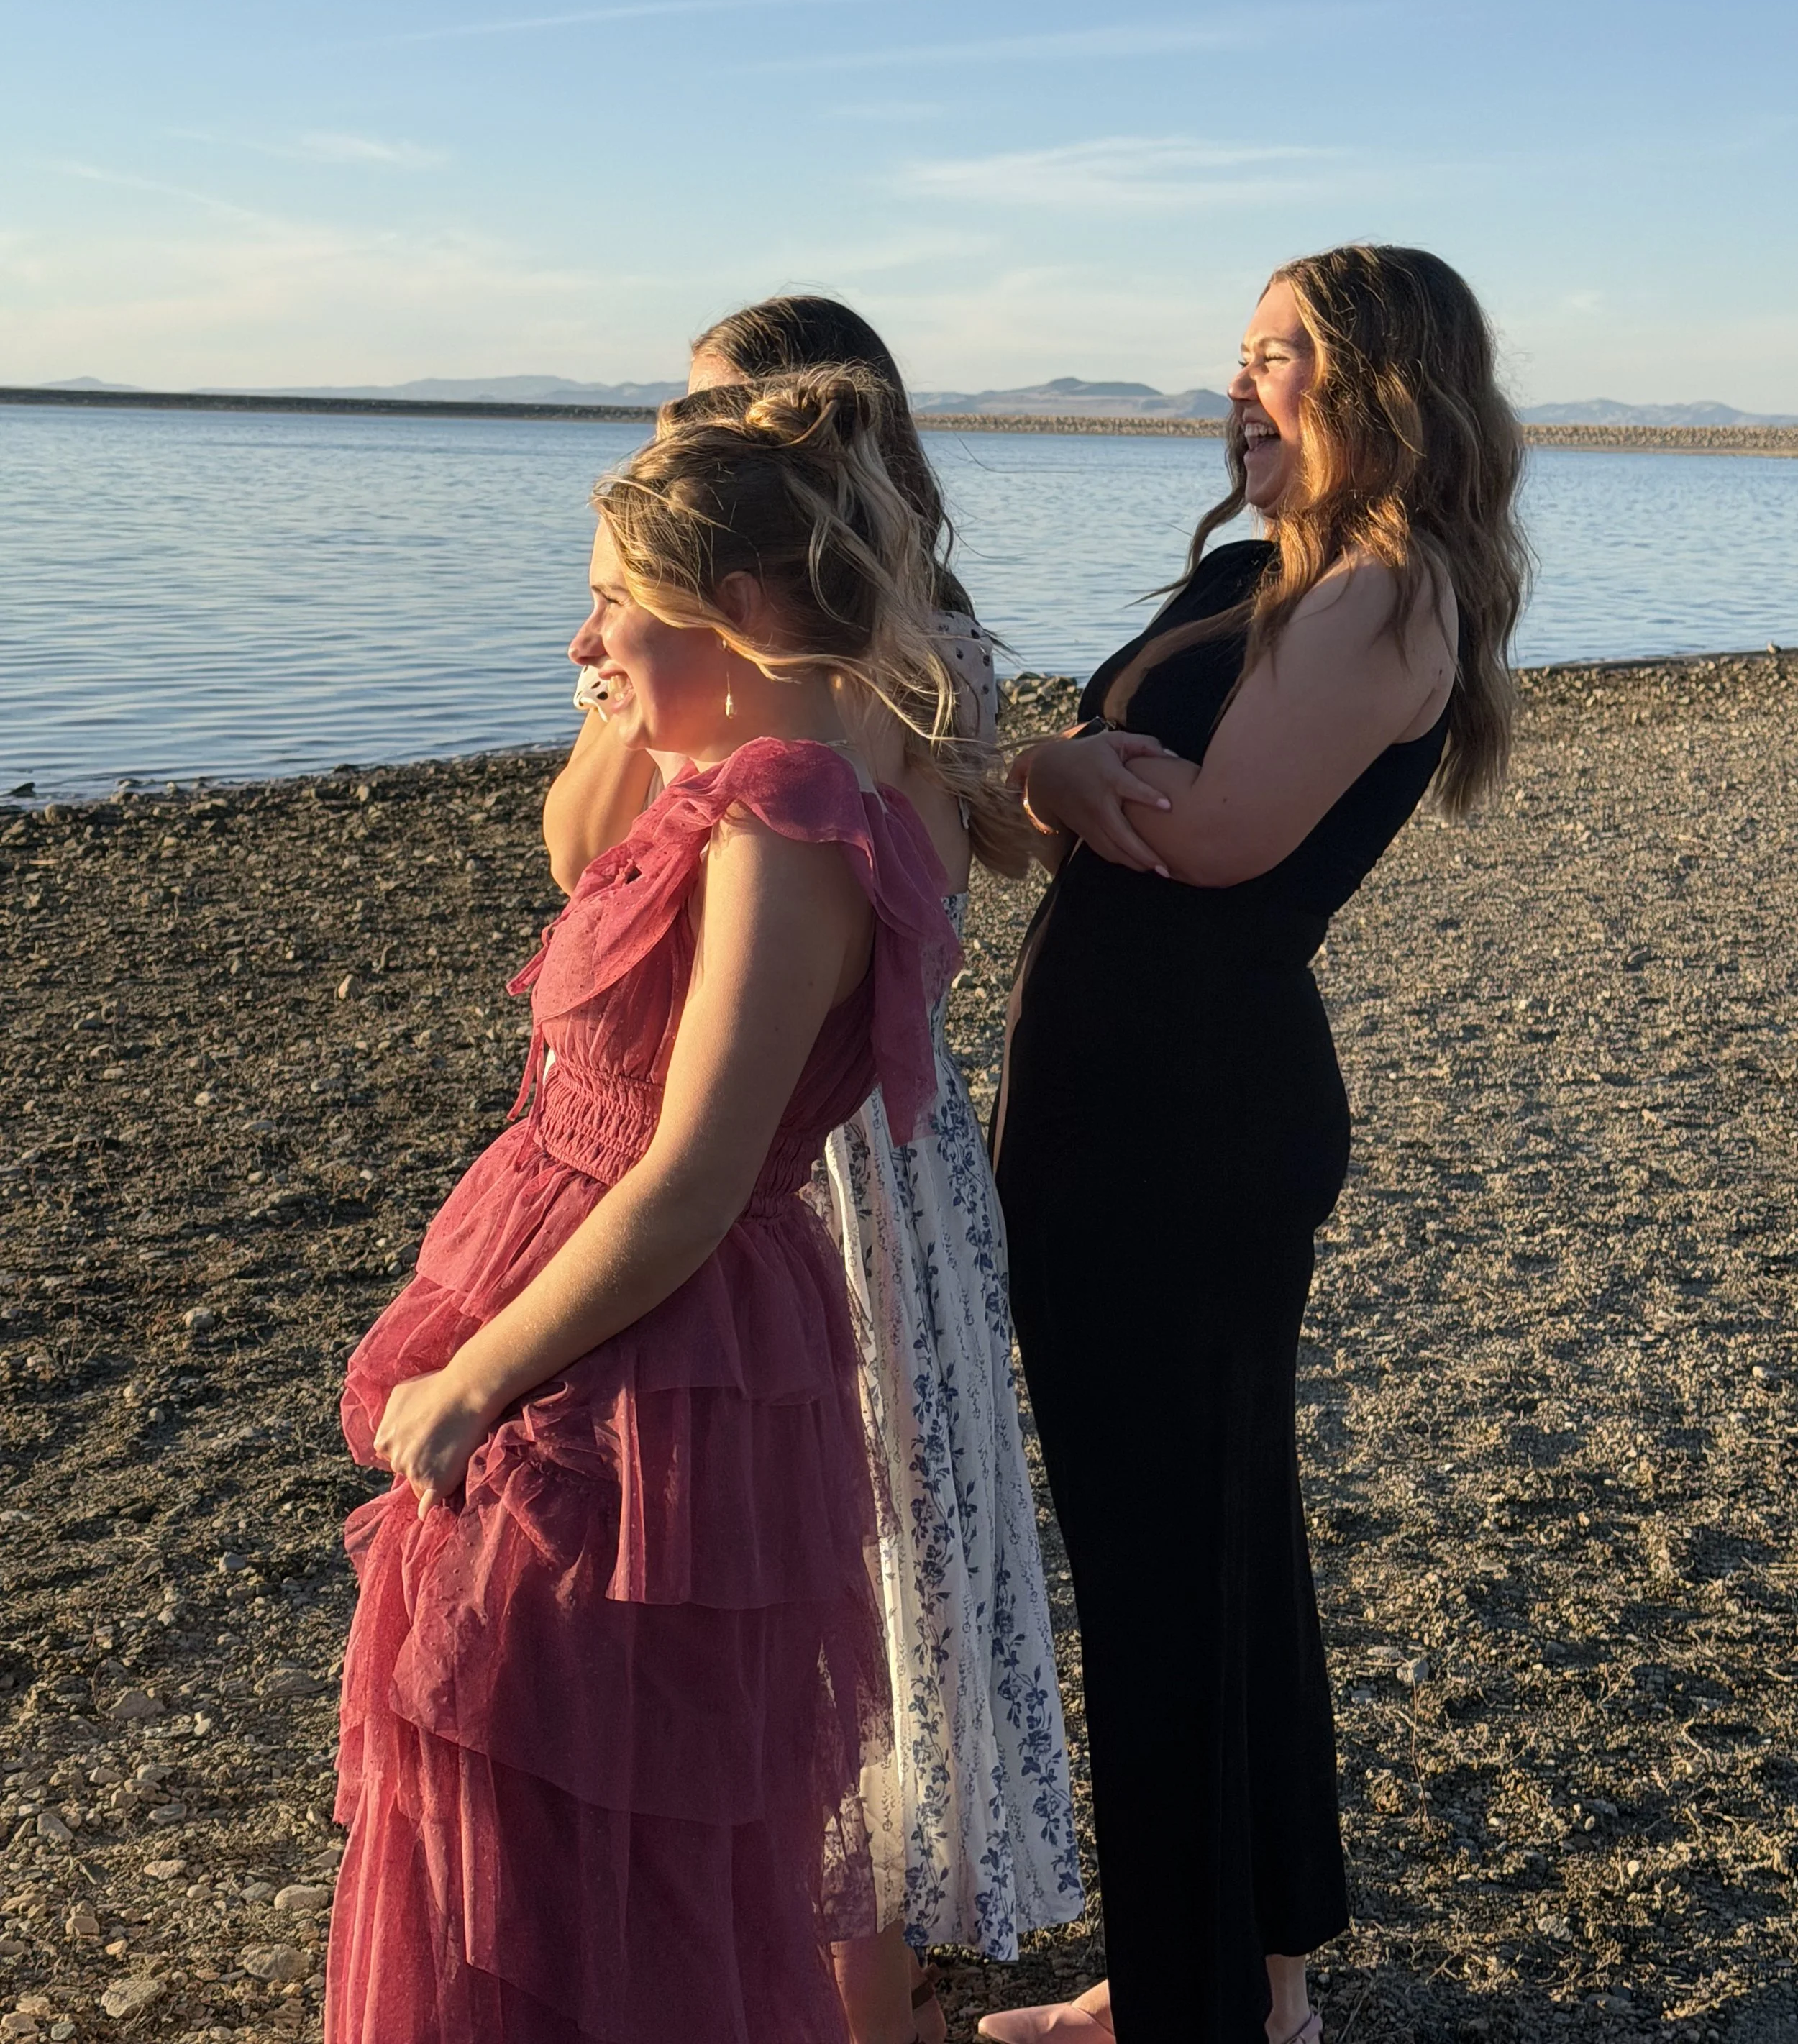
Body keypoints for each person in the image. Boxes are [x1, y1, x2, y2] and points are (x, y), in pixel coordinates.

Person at [326, 369, 984, 2044]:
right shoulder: (804, 763)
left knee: (567, 1808)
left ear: (740, 609)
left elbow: (690, 1176)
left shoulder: (784, 820)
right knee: (592, 1808)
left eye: (615, 601)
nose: (580, 643)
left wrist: (477, 1378)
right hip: (645, 1327)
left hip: (639, 1361)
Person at [981, 246, 1529, 2044]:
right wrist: (1065, 777)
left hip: (1182, 1128)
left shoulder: (1384, 590)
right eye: (1234, 352)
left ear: (1385, 381)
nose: (1240, 383)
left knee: (1164, 1569)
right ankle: (1251, 1967)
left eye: (1277, 352)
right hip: (1125, 1111)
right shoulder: (1253, 574)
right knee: (1213, 1544)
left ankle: (1194, 2004)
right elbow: (1100, 799)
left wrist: (1056, 776)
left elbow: (1202, 837)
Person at [544, 297, 1085, 2044]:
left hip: (854, 1150)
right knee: (746, 1544)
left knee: (875, 1548)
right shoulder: (676, 639)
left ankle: (871, 1981)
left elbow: (902, 881)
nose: (698, 460)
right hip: (734, 1111)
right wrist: (634, 690)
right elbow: (578, 854)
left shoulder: (915, 645)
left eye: (729, 427)